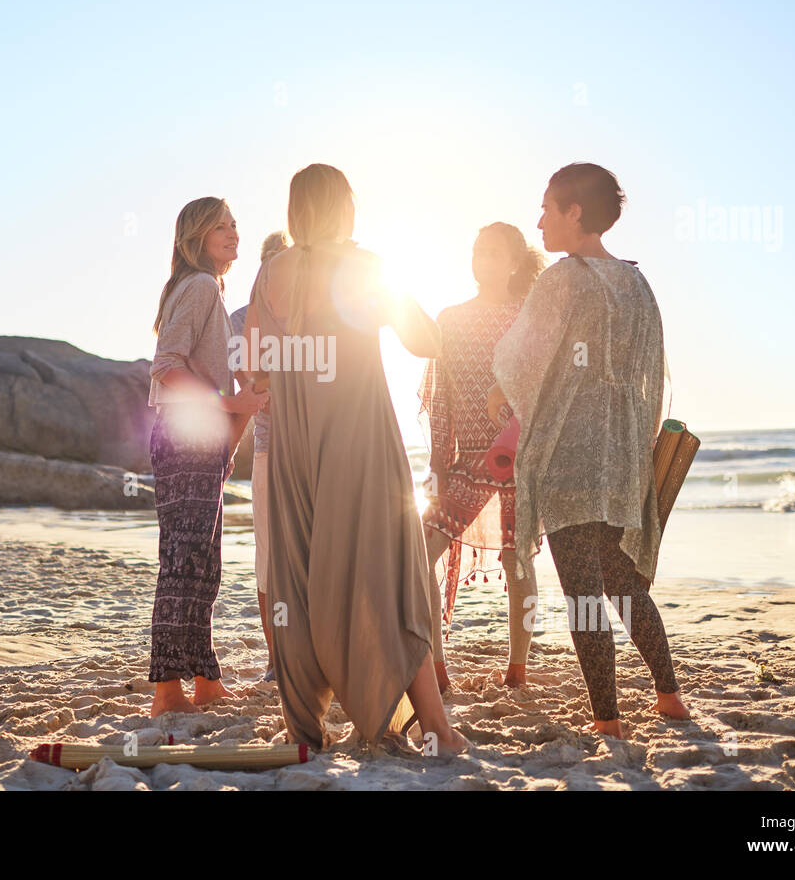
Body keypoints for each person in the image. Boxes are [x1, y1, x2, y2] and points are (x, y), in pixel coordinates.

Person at [245, 163, 468, 755]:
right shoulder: (365, 266)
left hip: (295, 441)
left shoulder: (271, 272)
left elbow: (254, 366)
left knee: (297, 577)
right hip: (362, 439)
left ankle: (304, 729)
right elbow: (427, 341)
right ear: (344, 207)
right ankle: (438, 728)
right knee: (391, 574)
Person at [488, 163, 689, 738]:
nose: (541, 220)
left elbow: (521, 361)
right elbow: (652, 376)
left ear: (575, 212)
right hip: (623, 456)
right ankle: (669, 695)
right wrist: (635, 442)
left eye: (548, 208)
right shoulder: (636, 283)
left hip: (568, 459)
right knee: (626, 583)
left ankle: (608, 718)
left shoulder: (562, 279)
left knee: (581, 593)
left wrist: (504, 396)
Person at [147, 197, 268, 718]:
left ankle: (205, 680)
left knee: (202, 563)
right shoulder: (197, 287)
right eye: (221, 225)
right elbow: (166, 367)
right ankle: (167, 693)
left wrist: (236, 410)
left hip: (199, 441)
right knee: (184, 563)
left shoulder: (208, 291)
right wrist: (228, 403)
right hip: (183, 436)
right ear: (195, 236)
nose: (233, 232)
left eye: (235, 223)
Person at [418, 222, 545, 693]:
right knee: (419, 552)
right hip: (466, 460)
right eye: (478, 251)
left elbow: (544, 387)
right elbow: (440, 398)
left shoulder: (531, 316)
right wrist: (437, 461)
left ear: (514, 262)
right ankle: (436, 663)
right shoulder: (448, 319)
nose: (484, 260)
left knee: (518, 562)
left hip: (520, 455)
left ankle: (518, 665)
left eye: (494, 253)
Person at [228, 231, 289, 682]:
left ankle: (313, 653)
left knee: (316, 556)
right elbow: (245, 388)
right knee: (268, 558)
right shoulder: (240, 320)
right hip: (270, 451)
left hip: (321, 450)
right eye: (271, 264)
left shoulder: (317, 315)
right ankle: (275, 659)